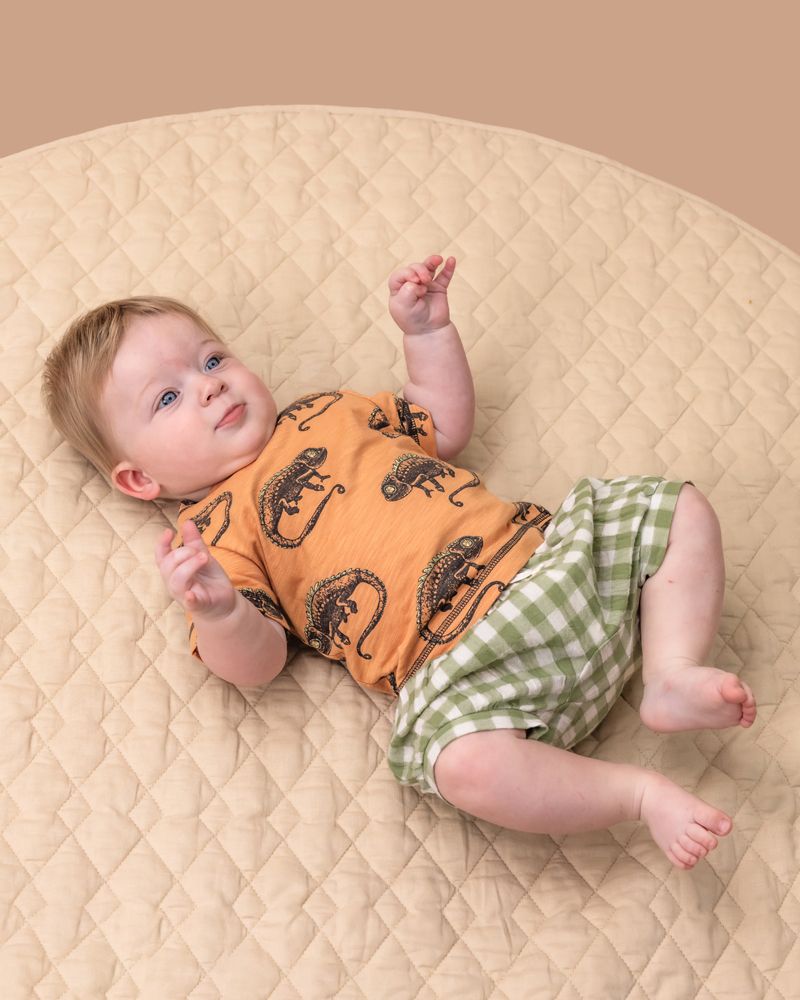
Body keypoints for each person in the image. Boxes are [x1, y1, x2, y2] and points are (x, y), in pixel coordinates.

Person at [42, 254, 756, 869]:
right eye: (168, 397)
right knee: (458, 765)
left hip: (551, 569)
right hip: (473, 675)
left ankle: (670, 671)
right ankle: (637, 795)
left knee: (673, 505)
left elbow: (441, 423)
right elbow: (258, 665)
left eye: (212, 359)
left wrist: (428, 334)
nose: (209, 385)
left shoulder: (327, 412)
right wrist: (221, 610)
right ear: (139, 479)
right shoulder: (215, 535)